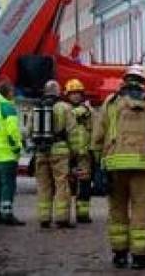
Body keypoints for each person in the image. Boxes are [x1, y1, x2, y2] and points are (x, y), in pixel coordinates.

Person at [92, 64, 145, 270]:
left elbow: (98, 136)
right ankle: (139, 257)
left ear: (125, 80)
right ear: (144, 82)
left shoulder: (111, 102)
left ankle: (119, 255)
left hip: (115, 166)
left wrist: (99, 163)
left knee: (117, 210)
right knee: (141, 211)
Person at [30, 80, 74, 229]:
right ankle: (61, 217)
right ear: (58, 91)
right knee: (61, 183)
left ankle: (44, 217)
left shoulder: (36, 107)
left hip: (41, 152)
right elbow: (72, 131)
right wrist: (76, 152)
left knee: (43, 185)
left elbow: (30, 131)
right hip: (59, 151)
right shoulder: (64, 107)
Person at [0, 81, 25, 226]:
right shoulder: (8, 107)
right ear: (8, 92)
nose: (13, 93)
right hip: (6, 153)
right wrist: (17, 148)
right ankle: (7, 213)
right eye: (12, 91)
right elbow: (12, 132)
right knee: (8, 185)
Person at [65, 79, 94, 224]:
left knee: (84, 185)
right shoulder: (65, 110)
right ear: (67, 95)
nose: (75, 96)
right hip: (67, 154)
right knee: (66, 186)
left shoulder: (88, 111)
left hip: (84, 154)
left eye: (78, 93)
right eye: (72, 93)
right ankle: (64, 214)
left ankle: (83, 214)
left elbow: (95, 128)